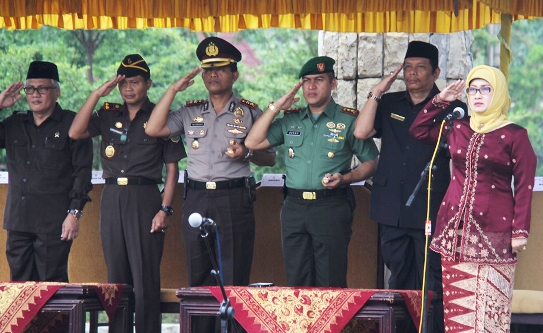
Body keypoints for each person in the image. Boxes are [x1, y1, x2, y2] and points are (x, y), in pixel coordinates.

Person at [410, 65, 537, 332]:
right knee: (459, 310)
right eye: (473, 90)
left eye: (485, 89)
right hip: (454, 231)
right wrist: (439, 101)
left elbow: (524, 185)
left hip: (495, 232)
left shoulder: (515, 135)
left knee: (490, 309)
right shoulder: (458, 127)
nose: (477, 95)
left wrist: (520, 230)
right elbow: (419, 131)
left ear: (499, 92)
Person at [145, 37, 276, 290]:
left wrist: (247, 153)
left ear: (234, 75)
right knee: (198, 273)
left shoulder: (250, 113)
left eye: (220, 69)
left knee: (234, 275)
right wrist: (173, 90)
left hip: (234, 198)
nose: (212, 74)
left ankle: (230, 330)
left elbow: (270, 157)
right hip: (196, 197)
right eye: (207, 69)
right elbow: (153, 128)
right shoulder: (190, 111)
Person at [354, 41, 467, 332]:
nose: (412, 73)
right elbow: (362, 131)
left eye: (420, 67)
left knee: (431, 282)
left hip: (431, 206)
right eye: (408, 67)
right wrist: (376, 92)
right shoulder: (389, 102)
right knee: (398, 282)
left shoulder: (453, 108)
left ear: (436, 72)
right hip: (392, 206)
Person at [68, 54, 186, 333]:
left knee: (145, 278)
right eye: (124, 84)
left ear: (148, 83)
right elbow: (75, 131)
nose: (129, 89)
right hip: (112, 198)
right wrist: (97, 94)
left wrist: (165, 209)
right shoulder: (108, 113)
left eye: (135, 82)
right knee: (116, 279)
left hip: (145, 198)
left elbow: (172, 171)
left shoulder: (161, 117)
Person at [245, 56, 378, 287]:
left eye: (319, 80)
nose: (312, 86)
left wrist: (346, 178)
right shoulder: (291, 119)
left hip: (330, 206)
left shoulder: (348, 120)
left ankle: (330, 325)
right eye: (306, 81)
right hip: (294, 208)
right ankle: (302, 326)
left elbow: (371, 162)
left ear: (333, 83)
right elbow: (252, 143)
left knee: (329, 282)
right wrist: (276, 107)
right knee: (297, 282)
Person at [0, 61, 93, 282]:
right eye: (30, 89)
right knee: (19, 289)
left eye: (42, 89)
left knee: (52, 289)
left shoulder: (72, 125)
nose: (35, 95)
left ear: (57, 92)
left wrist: (74, 214)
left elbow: (82, 173)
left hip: (54, 224)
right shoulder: (14, 123)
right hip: (19, 222)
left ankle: (56, 320)